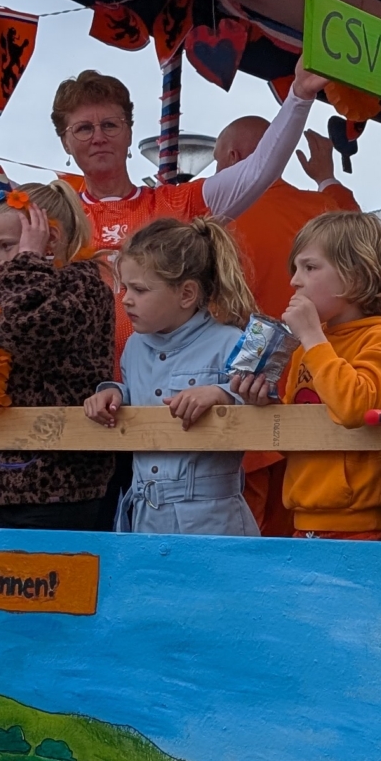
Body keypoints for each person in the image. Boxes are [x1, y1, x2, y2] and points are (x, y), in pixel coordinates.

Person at [0, 0, 321, 309]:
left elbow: (258, 171)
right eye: (83, 129)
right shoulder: (51, 208)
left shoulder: (178, 204)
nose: (98, 137)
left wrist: (299, 96)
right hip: (75, 394)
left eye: (110, 125)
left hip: (155, 394)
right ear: (65, 142)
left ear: (130, 132)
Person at [0, 185, 117, 531]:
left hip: (65, 487)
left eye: (7, 247)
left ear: (50, 238)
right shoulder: (9, 290)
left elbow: (23, 331)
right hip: (1, 482)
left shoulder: (83, 287)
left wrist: (27, 261)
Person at [237, 212, 381, 547]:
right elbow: (294, 440)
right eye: (295, 269)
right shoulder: (309, 346)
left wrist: (314, 337)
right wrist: (267, 405)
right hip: (304, 520)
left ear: (354, 277)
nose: (294, 281)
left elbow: (354, 406)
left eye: (310, 268)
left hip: (364, 527)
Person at [84, 216, 258, 536]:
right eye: (124, 287)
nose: (125, 298)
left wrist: (222, 395)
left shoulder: (233, 341)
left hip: (213, 525)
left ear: (186, 294)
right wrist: (115, 395)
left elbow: (266, 402)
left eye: (139, 289)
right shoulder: (134, 348)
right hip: (146, 522)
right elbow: (139, 395)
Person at [216, 115, 357, 336]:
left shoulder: (214, 217)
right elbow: (359, 236)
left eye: (217, 161)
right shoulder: (322, 207)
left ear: (234, 157)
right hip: (313, 357)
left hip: (242, 362)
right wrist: (326, 178)